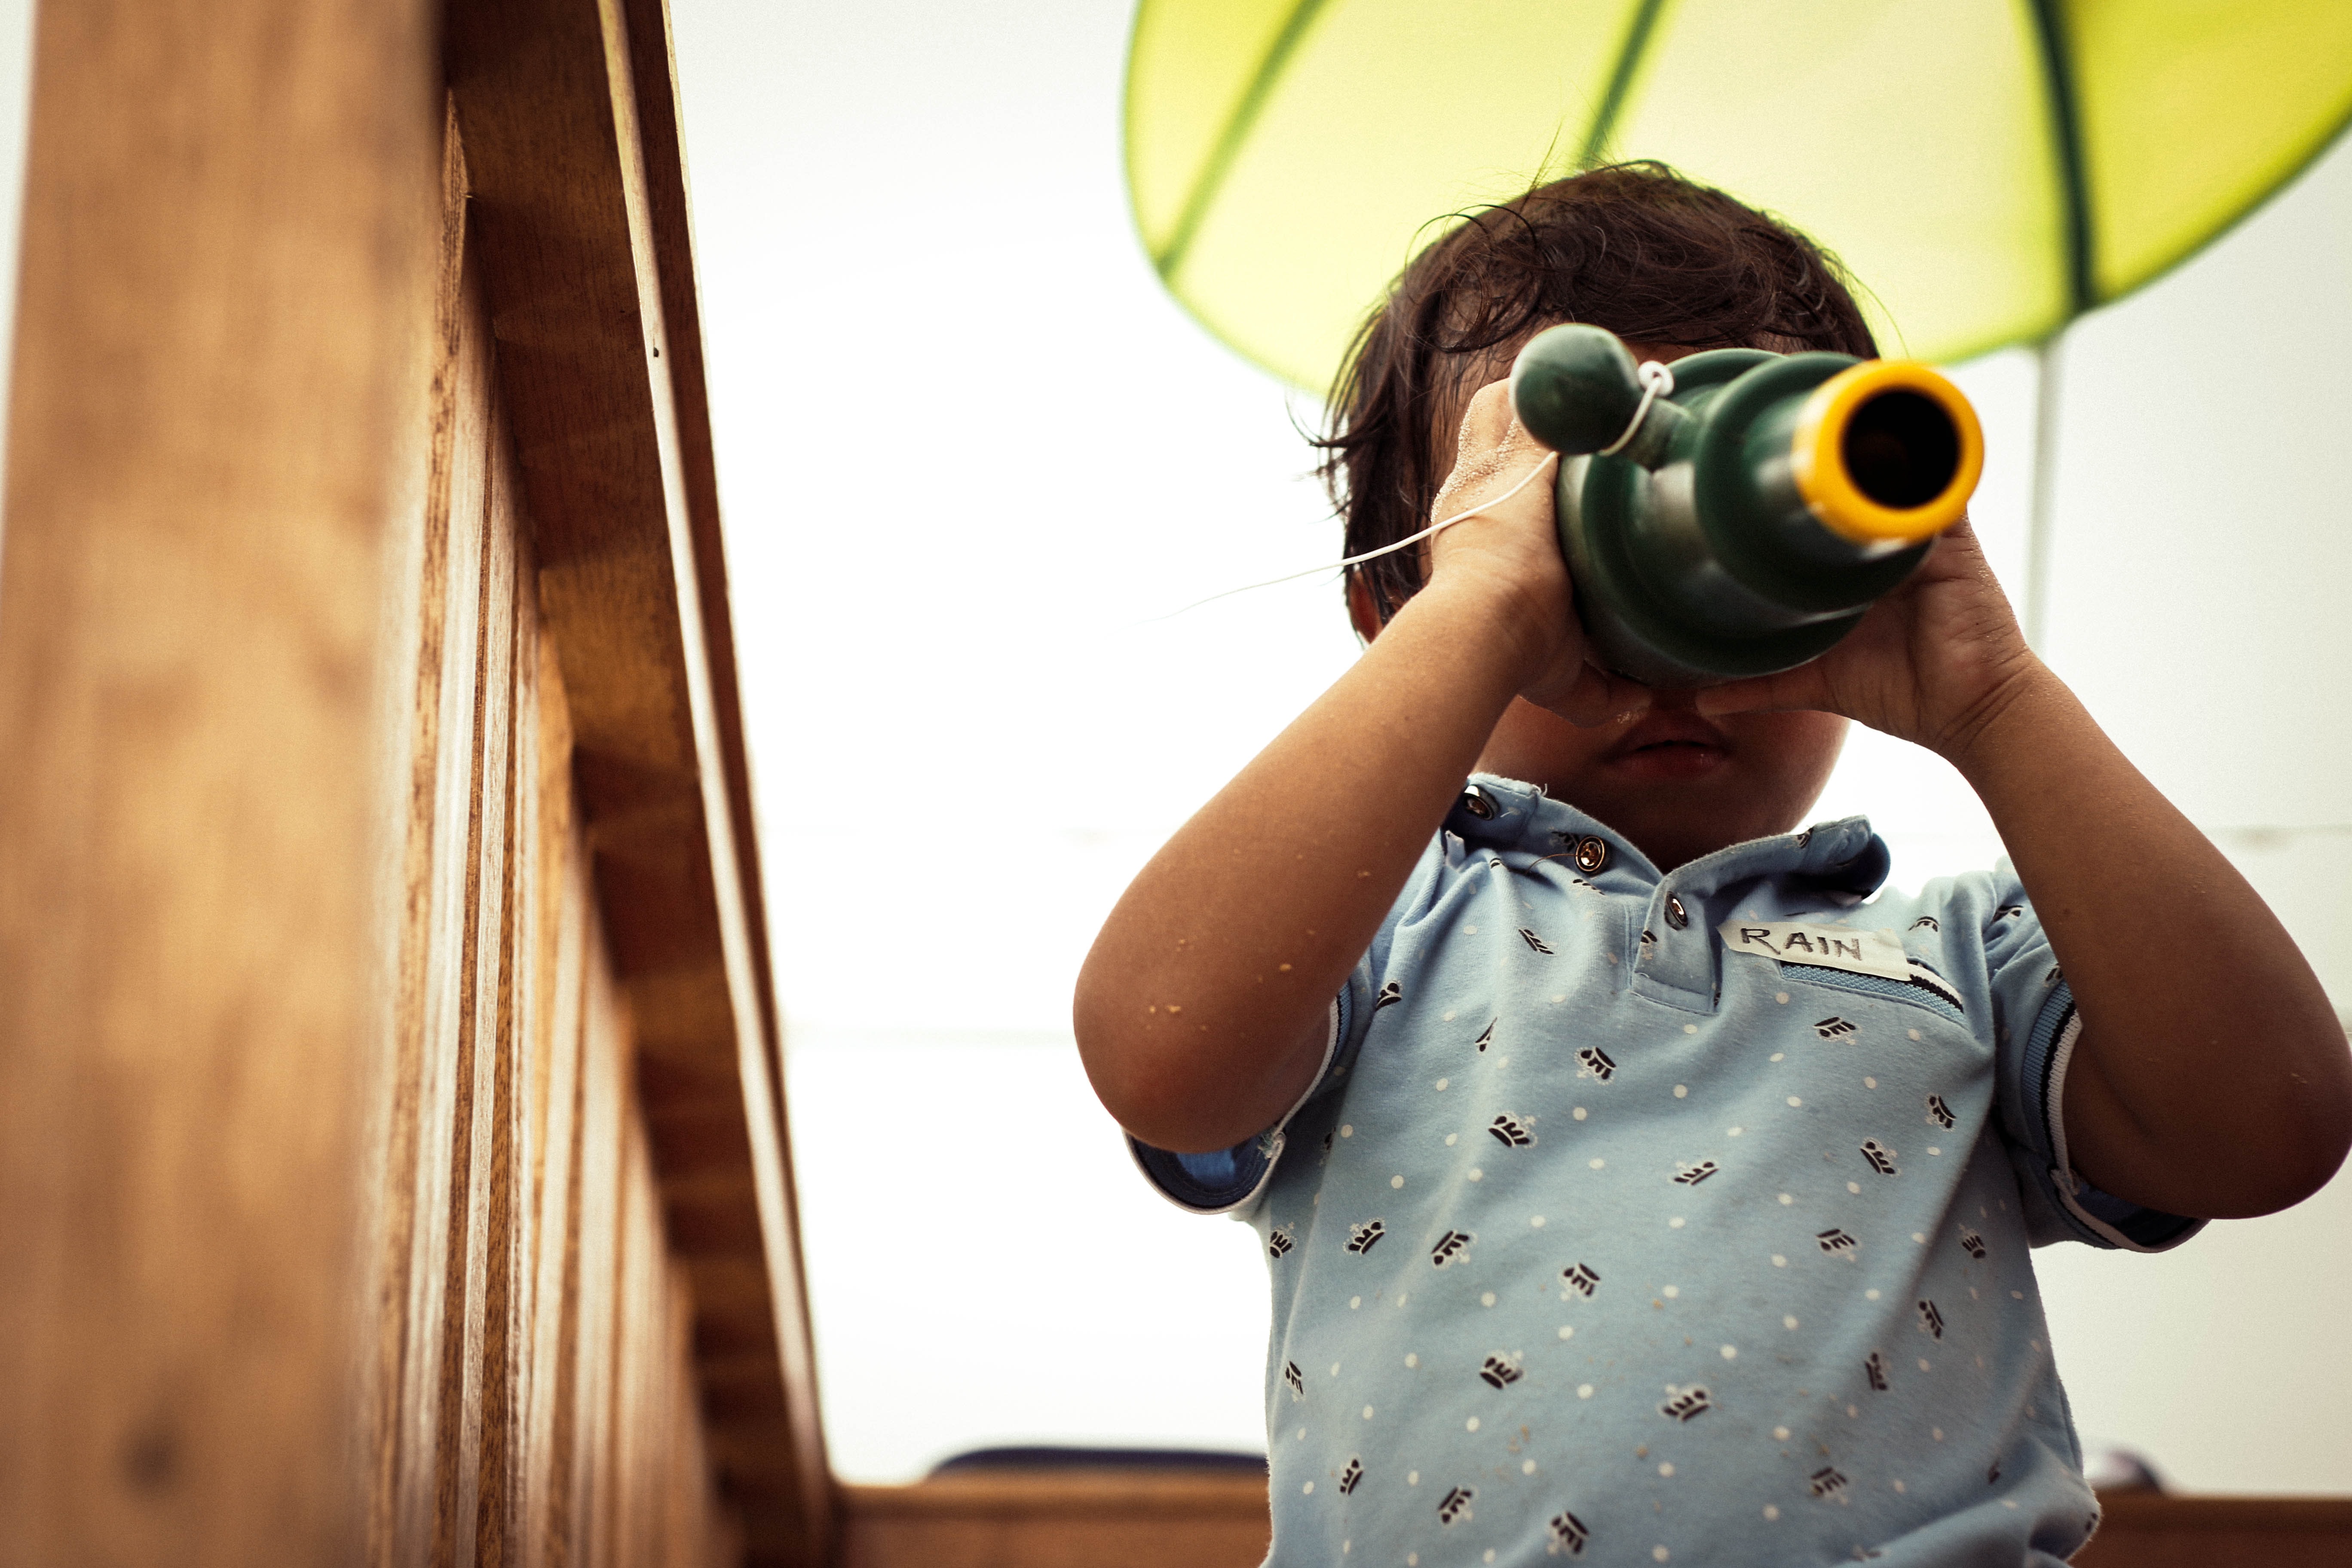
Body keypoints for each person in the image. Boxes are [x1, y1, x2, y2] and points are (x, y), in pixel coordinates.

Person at [1072, 164, 2351, 1565]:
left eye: (1742, 556)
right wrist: (1493, 603)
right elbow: (1163, 1047)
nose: (1671, 647)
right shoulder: (1374, 929)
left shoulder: (1968, 960)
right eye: (1581, 546)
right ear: (1399, 609)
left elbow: (2271, 1125)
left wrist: (1990, 697)